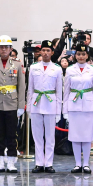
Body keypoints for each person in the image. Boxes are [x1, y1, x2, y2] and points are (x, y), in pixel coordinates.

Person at [0, 35, 25, 173]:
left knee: (12, 134)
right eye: (1, 47)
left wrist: (21, 106)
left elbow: (21, 87)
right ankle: (0, 161)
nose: (3, 49)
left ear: (10, 48)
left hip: (12, 103)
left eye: (6, 47)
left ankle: (12, 161)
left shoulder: (18, 64)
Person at [27, 39, 63, 173]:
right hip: (37, 102)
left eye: (48, 50)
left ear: (52, 52)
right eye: (43, 50)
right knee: (37, 136)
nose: (46, 53)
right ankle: (39, 163)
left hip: (51, 103)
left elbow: (59, 91)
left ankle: (48, 163)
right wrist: (29, 107)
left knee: (49, 136)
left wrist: (59, 110)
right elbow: (30, 88)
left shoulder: (57, 69)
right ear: (40, 52)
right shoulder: (33, 67)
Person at [63, 43, 93, 173]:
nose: (81, 56)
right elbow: (66, 91)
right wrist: (65, 110)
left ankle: (86, 164)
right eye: (78, 54)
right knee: (75, 136)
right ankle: (78, 164)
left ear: (87, 55)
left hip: (89, 106)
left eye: (83, 54)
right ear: (75, 55)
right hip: (74, 105)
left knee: (87, 136)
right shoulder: (70, 70)